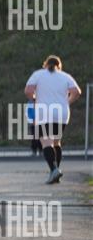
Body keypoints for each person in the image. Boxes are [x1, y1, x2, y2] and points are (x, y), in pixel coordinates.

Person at [25, 55, 81, 184]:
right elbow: (77, 92)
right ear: (59, 66)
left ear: (45, 64)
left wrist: (34, 99)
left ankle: (54, 170)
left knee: (46, 143)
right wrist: (67, 101)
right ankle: (56, 170)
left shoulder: (38, 74)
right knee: (56, 142)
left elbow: (28, 90)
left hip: (44, 112)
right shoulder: (65, 76)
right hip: (61, 113)